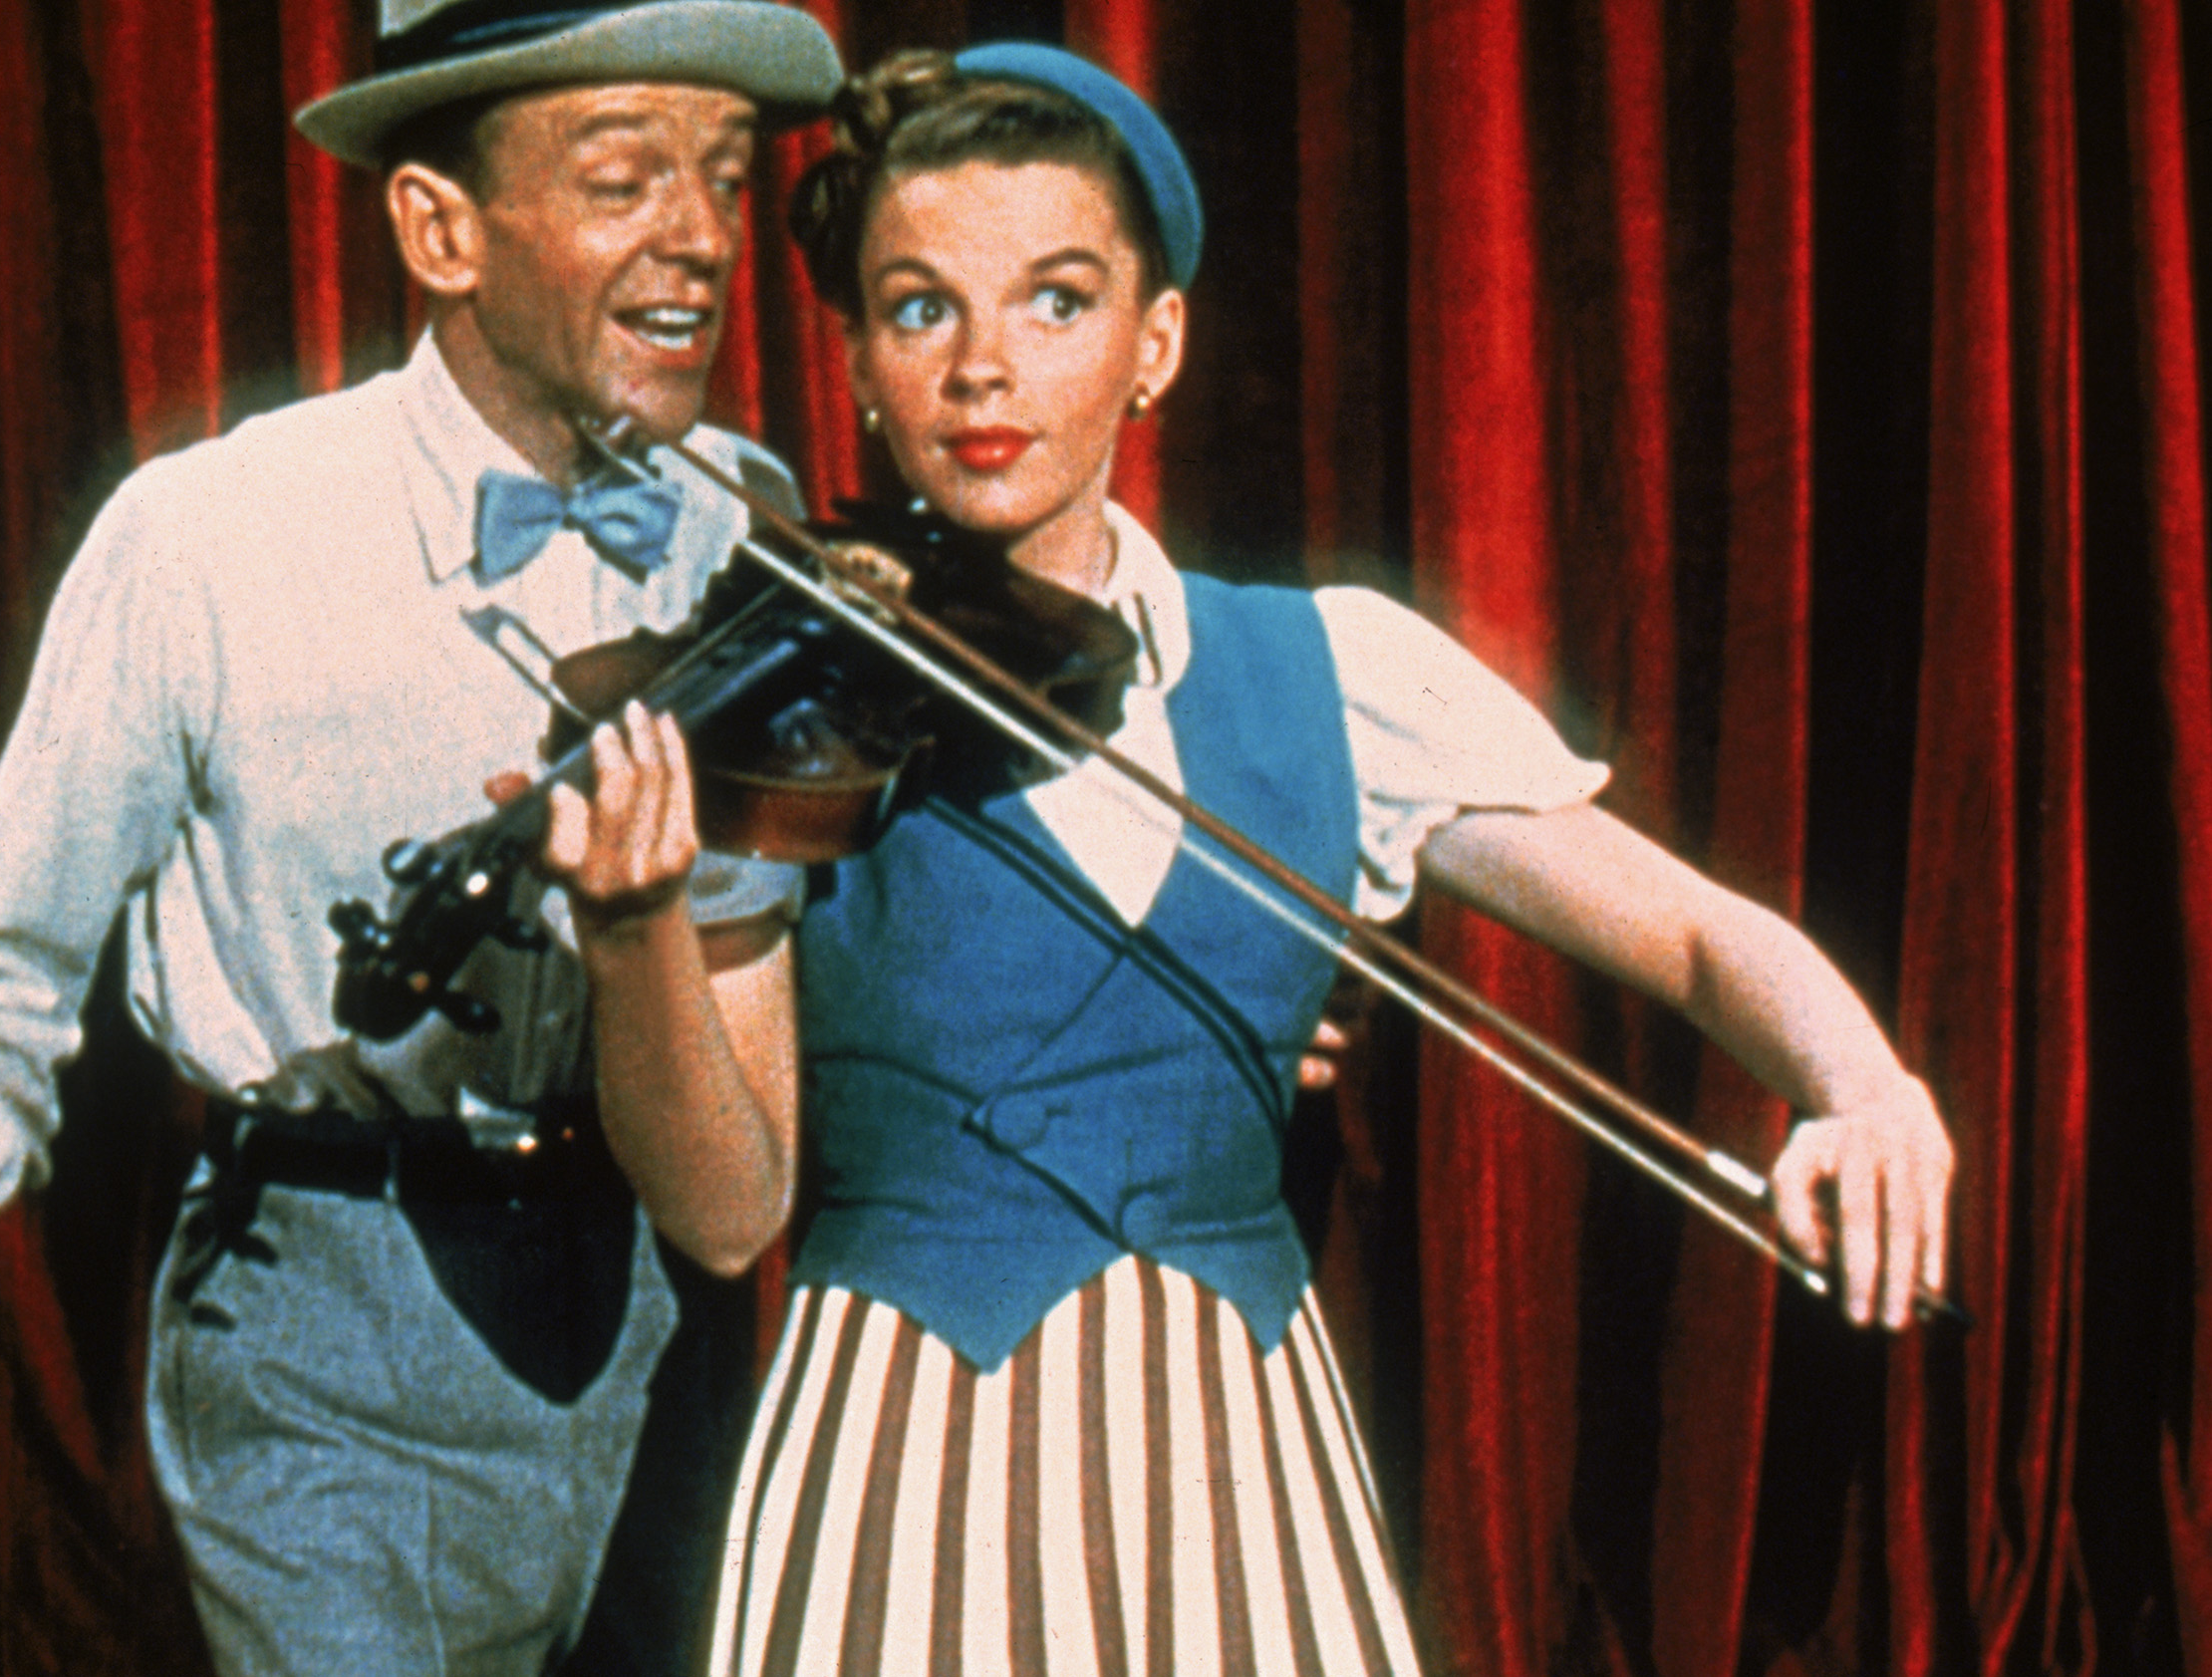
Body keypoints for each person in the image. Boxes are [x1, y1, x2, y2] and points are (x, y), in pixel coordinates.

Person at [704, 44, 1958, 1676]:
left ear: (1156, 345)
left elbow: (1704, 940)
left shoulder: (1337, 672)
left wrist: (1864, 1086)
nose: (984, 367)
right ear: (861, 362)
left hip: (1231, 1451)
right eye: (920, 308)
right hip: (901, 1436)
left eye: (1058, 301)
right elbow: (722, 1174)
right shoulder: (792, 700)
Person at [0, 4, 842, 1674]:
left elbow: (739, 1121)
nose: (699, 235)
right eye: (624, 179)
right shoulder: (207, 537)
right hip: (328, 1308)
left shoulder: (740, 526)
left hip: (646, 1314)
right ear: (441, 229)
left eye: (726, 176)